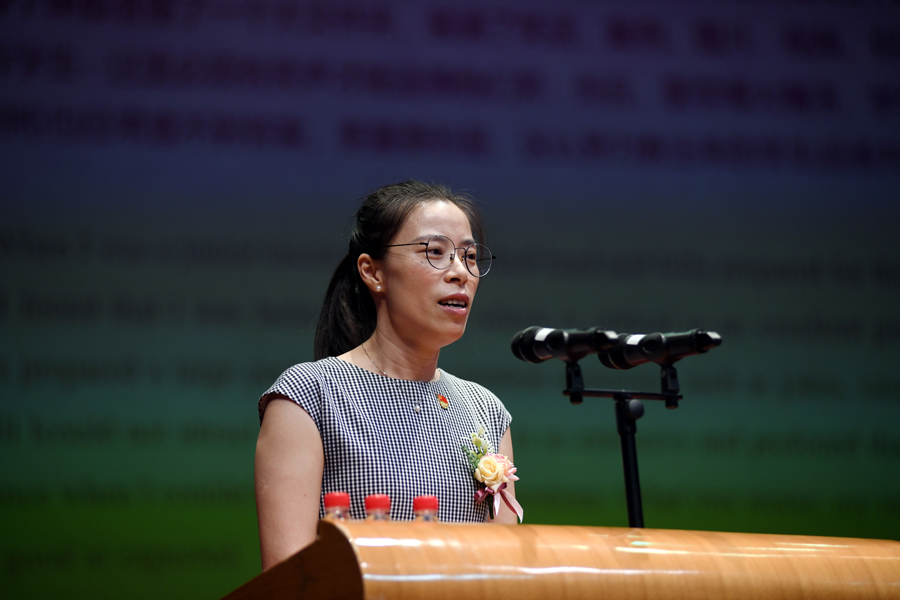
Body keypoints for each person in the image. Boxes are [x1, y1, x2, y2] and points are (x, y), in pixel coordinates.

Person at [254, 180, 517, 571]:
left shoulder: (486, 410)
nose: (461, 272)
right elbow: (290, 577)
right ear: (373, 272)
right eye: (435, 252)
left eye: (470, 256)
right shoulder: (309, 396)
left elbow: (506, 570)